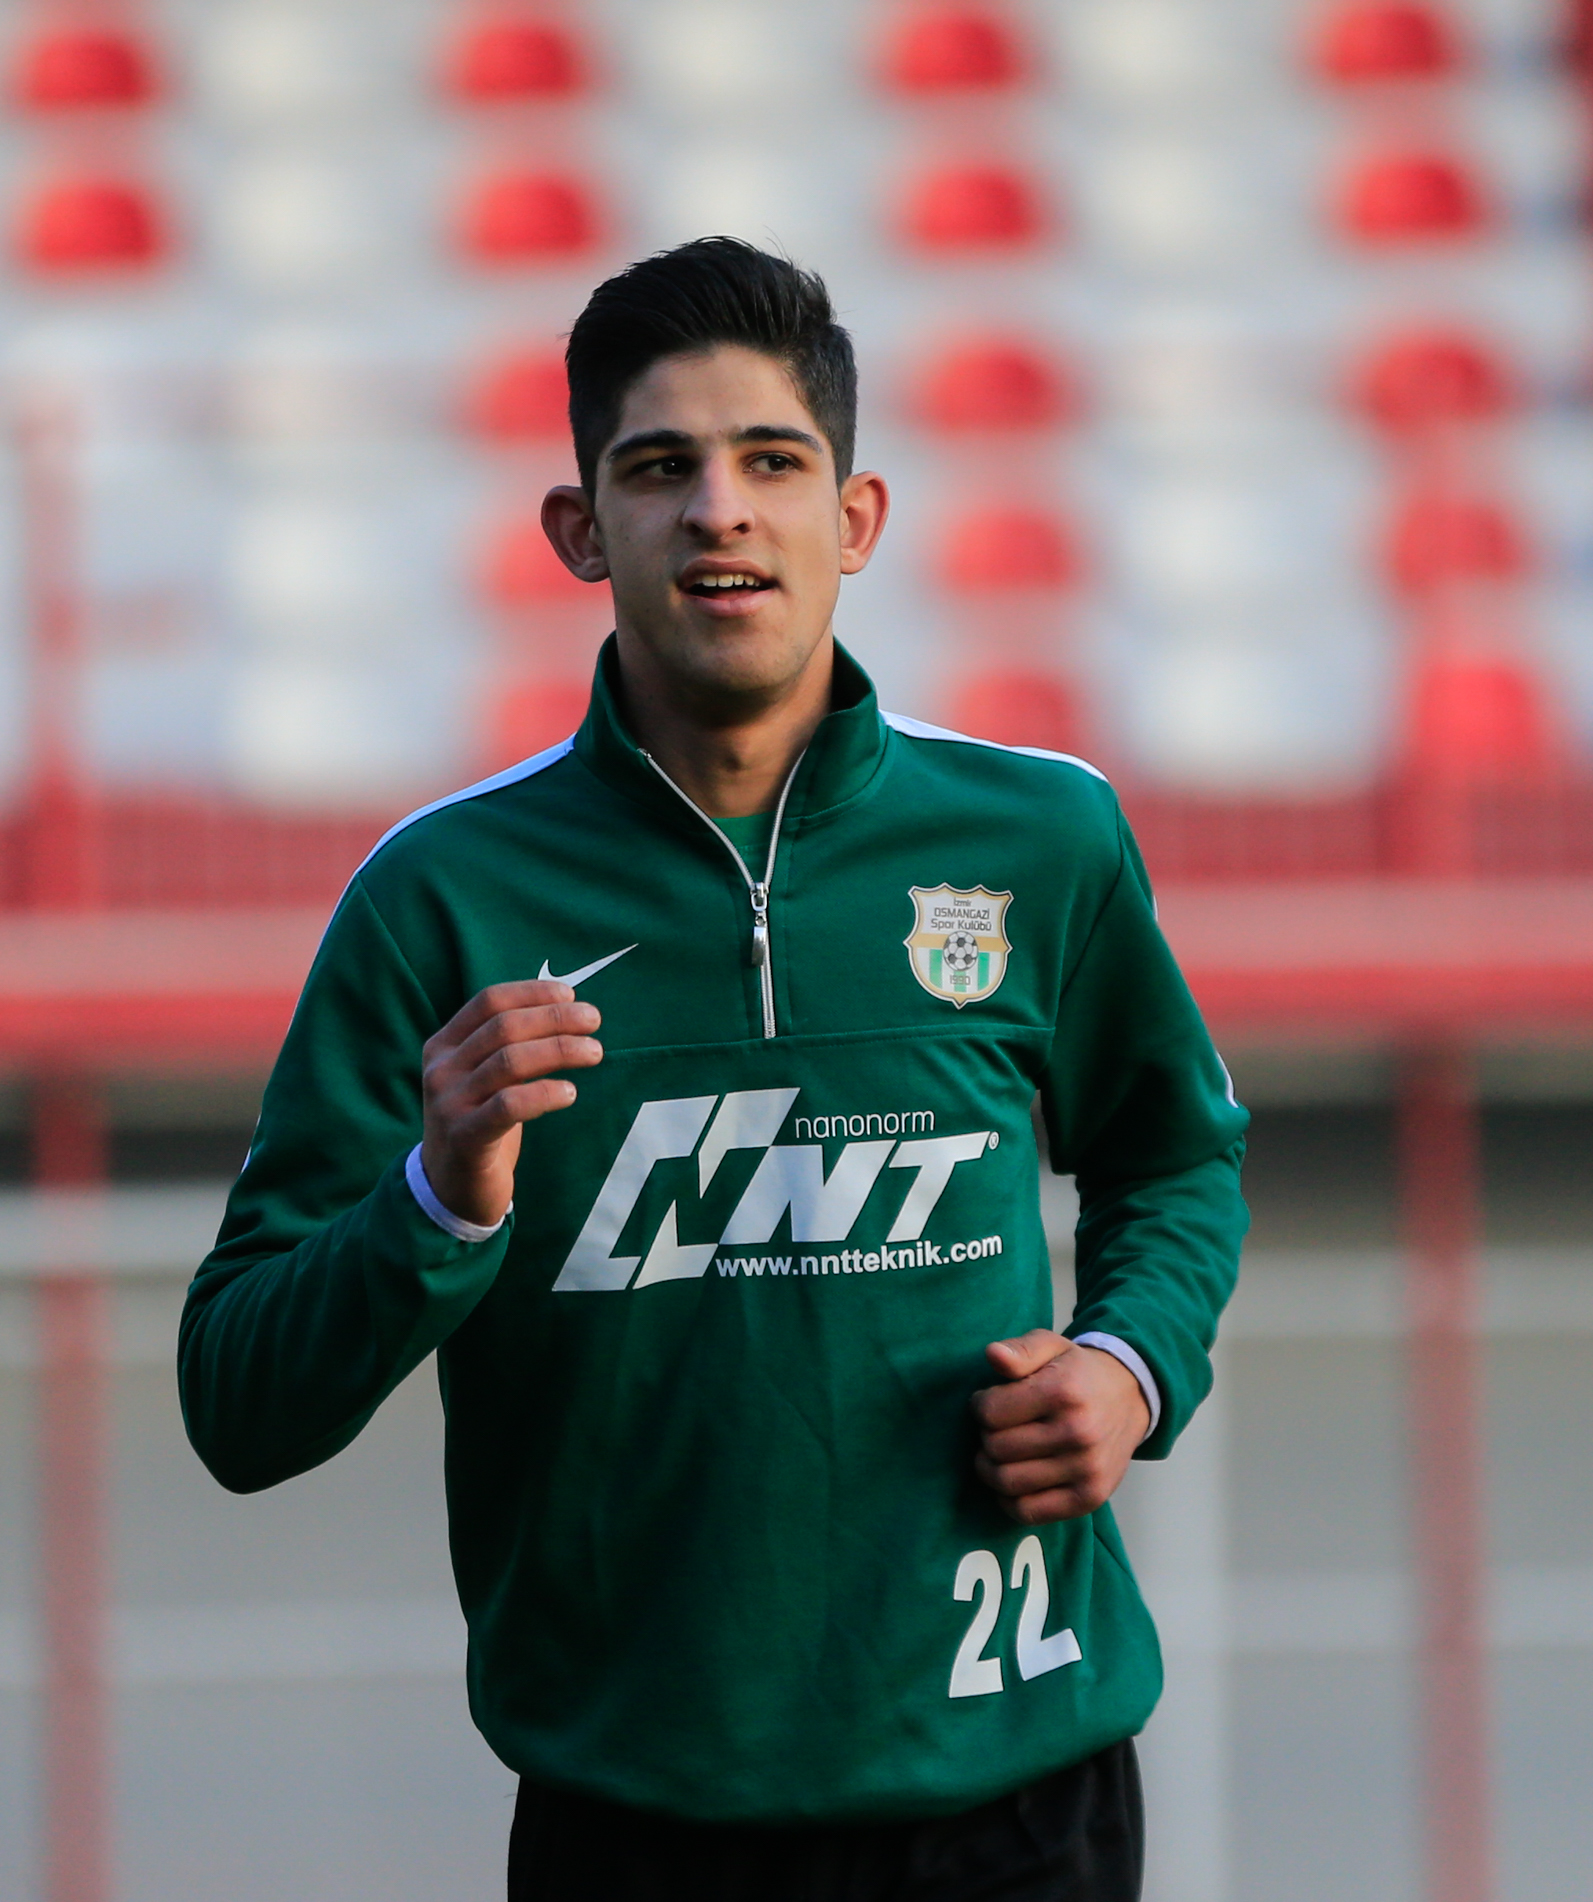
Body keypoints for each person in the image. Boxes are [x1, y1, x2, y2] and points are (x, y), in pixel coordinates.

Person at [179, 238, 1248, 1902]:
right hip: (639, 1825)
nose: (720, 511)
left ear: (858, 517)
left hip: (1016, 1799)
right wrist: (435, 1198)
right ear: (579, 529)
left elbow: (1172, 1154)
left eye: (772, 461)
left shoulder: (1039, 838)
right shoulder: (440, 900)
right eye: (659, 467)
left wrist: (1126, 1361)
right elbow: (240, 1402)